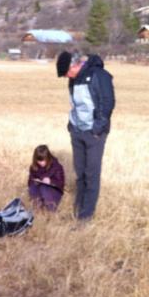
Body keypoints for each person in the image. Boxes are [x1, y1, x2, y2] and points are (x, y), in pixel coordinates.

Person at [56, 52, 115, 221]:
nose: (66, 77)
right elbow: (75, 104)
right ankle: (78, 211)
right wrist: (71, 126)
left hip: (94, 134)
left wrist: (97, 129)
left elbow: (108, 103)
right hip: (77, 131)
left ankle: (86, 217)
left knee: (91, 174)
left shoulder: (99, 76)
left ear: (74, 65)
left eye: (66, 72)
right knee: (80, 173)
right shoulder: (74, 79)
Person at [28, 145, 65, 211]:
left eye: (43, 160)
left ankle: (51, 208)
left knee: (44, 187)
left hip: (54, 191)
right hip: (39, 190)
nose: (41, 163)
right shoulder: (33, 167)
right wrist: (35, 181)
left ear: (48, 157)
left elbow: (61, 183)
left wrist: (51, 181)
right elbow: (30, 182)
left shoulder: (56, 166)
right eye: (39, 160)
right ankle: (38, 207)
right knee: (33, 187)